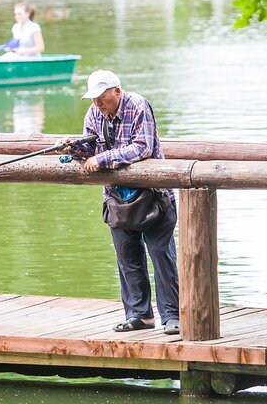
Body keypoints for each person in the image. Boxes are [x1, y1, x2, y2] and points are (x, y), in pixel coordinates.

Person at [56, 70, 180, 335]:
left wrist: (102, 159)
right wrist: (72, 148)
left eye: (102, 97)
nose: (97, 103)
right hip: (117, 198)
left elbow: (142, 147)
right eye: (93, 98)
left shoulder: (138, 105)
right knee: (127, 258)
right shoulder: (94, 113)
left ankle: (173, 316)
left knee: (161, 256)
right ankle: (139, 315)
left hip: (154, 196)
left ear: (117, 91)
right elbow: (90, 150)